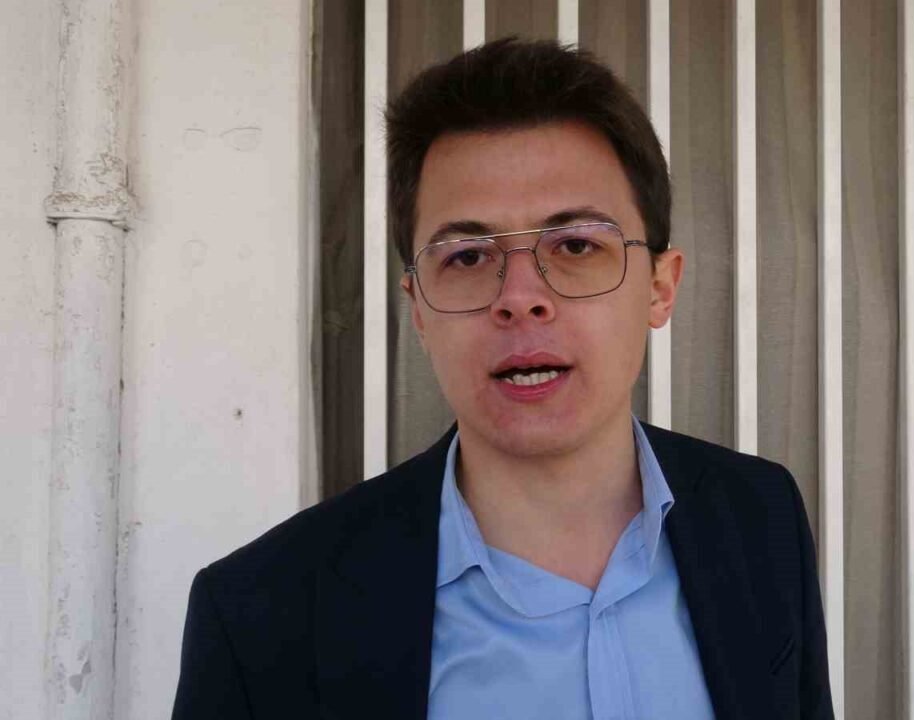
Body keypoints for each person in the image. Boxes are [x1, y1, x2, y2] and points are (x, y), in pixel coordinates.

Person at [171, 38, 833, 720]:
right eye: (466, 257)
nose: (520, 297)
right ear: (418, 310)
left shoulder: (760, 518)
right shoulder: (262, 615)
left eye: (575, 244)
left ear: (660, 288)